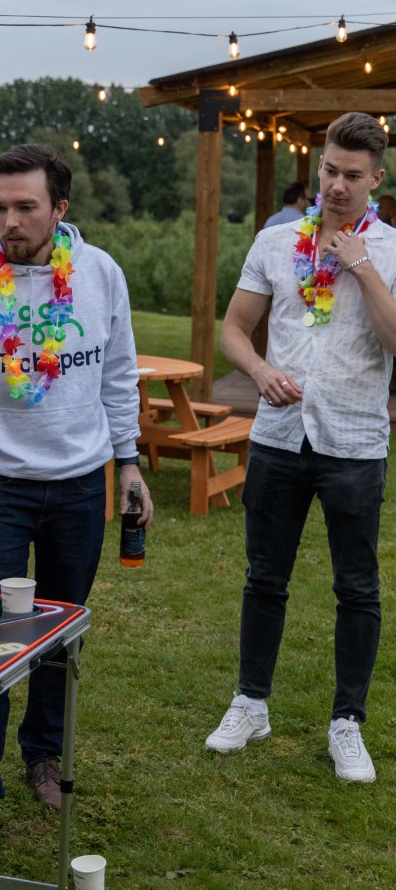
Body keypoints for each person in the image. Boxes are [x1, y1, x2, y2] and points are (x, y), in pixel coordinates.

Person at [0, 143, 153, 865]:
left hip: (79, 485)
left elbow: (118, 374)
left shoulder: (101, 274)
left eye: (25, 207)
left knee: (60, 635)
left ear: (59, 209)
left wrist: (128, 462)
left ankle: (44, 756)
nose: (8, 222)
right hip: (1, 487)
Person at [205, 112, 396, 783]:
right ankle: (251, 703)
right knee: (265, 576)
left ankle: (347, 723)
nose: (337, 185)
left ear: (376, 179)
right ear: (319, 167)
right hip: (280, 437)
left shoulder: (391, 251)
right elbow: (234, 329)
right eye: (330, 171)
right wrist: (259, 371)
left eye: (352, 175)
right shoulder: (277, 242)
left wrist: (362, 266)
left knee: (357, 587)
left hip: (355, 442)